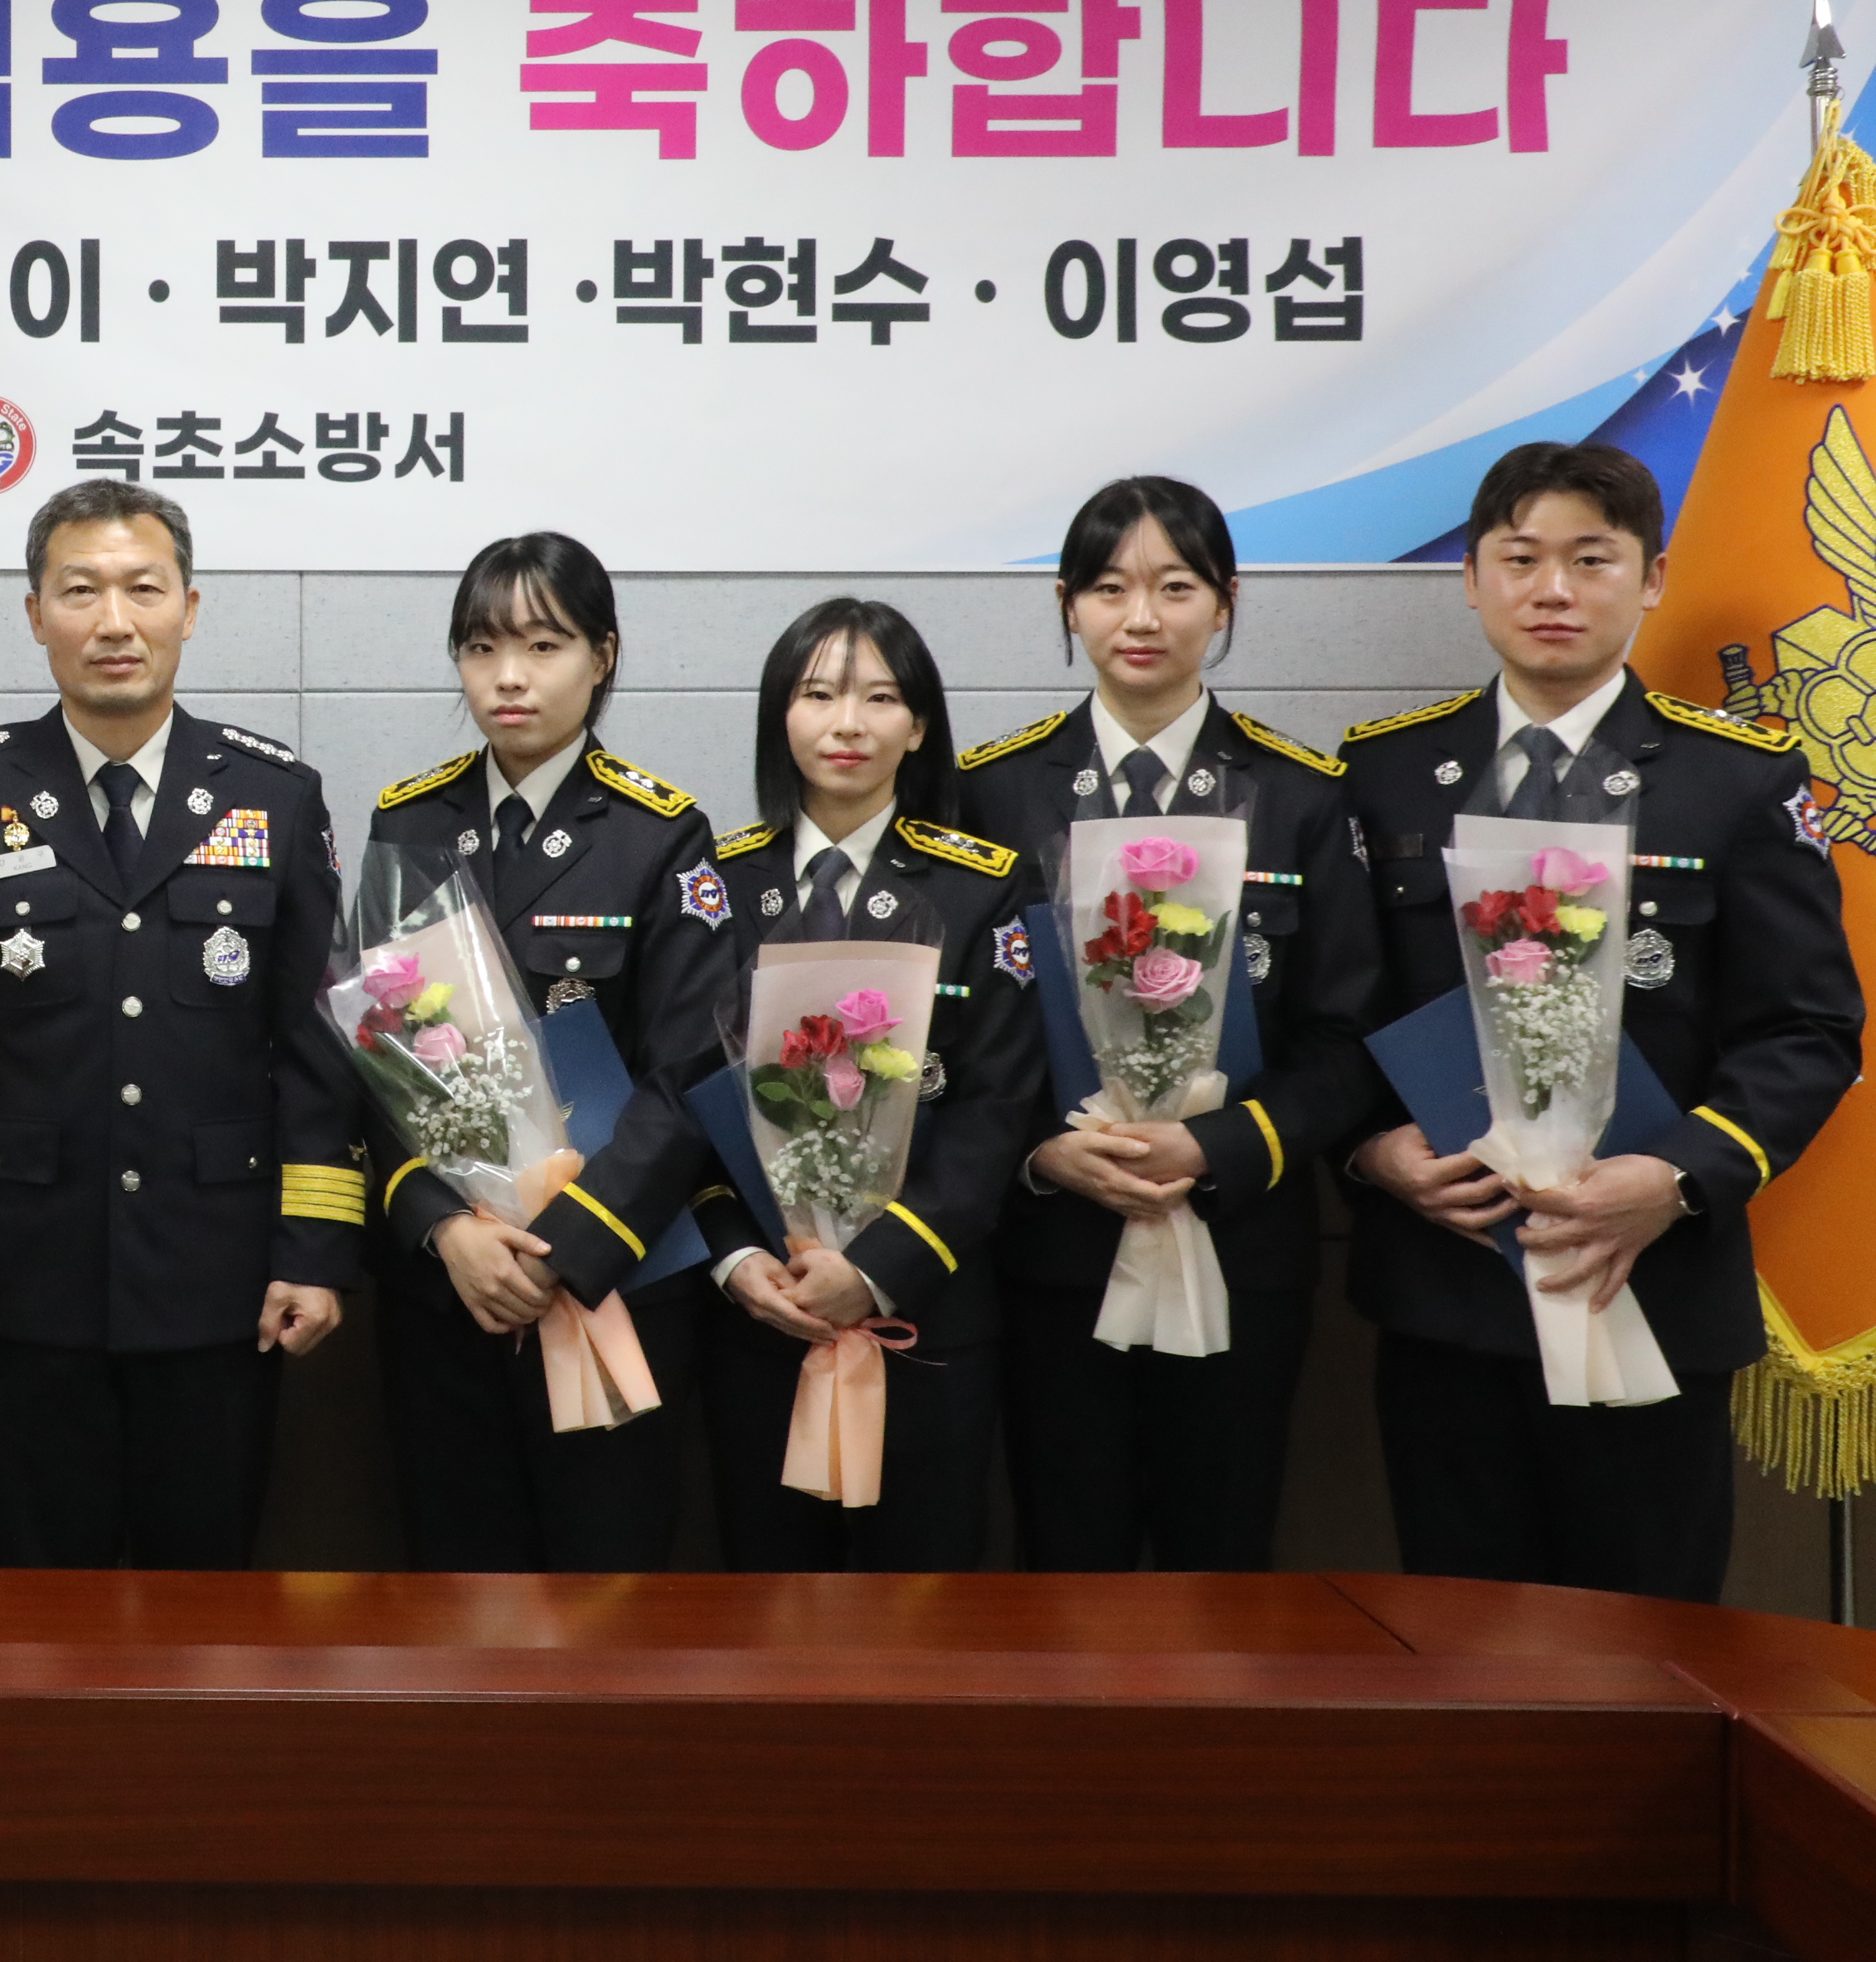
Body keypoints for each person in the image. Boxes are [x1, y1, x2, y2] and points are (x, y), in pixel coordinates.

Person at [1335, 441, 1860, 1602]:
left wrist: (1672, 1180)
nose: (1554, 590)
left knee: (1646, 1645)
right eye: (1521, 559)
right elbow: (1337, 1017)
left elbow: (1808, 1031)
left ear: (1653, 577)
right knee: (1458, 1638)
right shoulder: (1386, 775)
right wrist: (1371, 1155)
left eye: (1591, 559)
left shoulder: (1736, 780)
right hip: (1450, 1291)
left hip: (1654, 1281)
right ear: (1472, 579)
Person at [0, 478, 357, 1569]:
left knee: (207, 1603)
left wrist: (317, 1250)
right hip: (20, 1289)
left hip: (224, 1286)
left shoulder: (276, 797)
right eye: (80, 591)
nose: (114, 621)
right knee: (41, 1614)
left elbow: (317, 1054)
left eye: (144, 589)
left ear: (190, 608)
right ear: (35, 613)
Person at [957, 477, 1383, 1571]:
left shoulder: (1301, 796)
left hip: (1242, 1239)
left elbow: (1347, 1040)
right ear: (1066, 604)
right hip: (1054, 1249)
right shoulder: (990, 797)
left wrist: (1220, 1146)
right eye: (1109, 588)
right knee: (1065, 1552)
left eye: (1176, 587)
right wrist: (1043, 1152)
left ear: (1226, 601)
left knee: (1222, 1555)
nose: (1141, 618)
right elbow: (957, 1040)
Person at [360, 532, 736, 1571]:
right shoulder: (409, 820)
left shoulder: (661, 832)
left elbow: (688, 1077)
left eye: (542, 645)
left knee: (606, 1583)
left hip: (610, 1275)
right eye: (481, 648)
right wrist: (446, 1230)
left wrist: (566, 1247)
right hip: (452, 1289)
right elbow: (378, 1062)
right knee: (456, 1582)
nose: (509, 677)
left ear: (602, 656)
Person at [686, 598, 1047, 1571]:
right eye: (818, 695)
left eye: (881, 698)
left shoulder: (983, 887)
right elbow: (679, 1096)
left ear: (920, 725)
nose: (847, 724)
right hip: (759, 1313)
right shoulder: (718, 884)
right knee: (768, 1599)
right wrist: (736, 1260)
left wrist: (877, 1268)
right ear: (779, 716)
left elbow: (998, 1109)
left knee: (923, 1605)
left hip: (926, 1310)